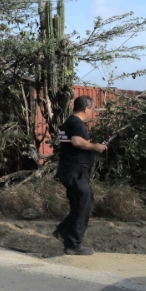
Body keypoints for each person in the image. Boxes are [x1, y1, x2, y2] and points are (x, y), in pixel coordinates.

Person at [53, 96, 107, 255]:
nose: (93, 112)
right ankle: (73, 244)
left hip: (73, 171)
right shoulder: (76, 123)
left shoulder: (71, 122)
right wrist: (95, 146)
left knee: (85, 203)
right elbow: (77, 142)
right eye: (93, 109)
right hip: (75, 171)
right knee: (83, 205)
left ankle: (63, 231)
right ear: (86, 108)